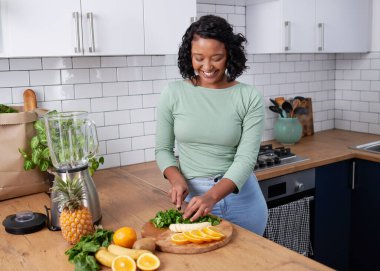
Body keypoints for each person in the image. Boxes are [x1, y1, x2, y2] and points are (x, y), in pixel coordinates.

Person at [155, 15, 268, 235]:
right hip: (194, 203)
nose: (207, 67)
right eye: (199, 58)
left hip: (242, 201)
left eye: (216, 58)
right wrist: (177, 181)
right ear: (190, 56)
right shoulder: (173, 93)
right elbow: (163, 150)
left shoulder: (249, 96)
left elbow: (246, 159)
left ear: (229, 56)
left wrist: (212, 196)